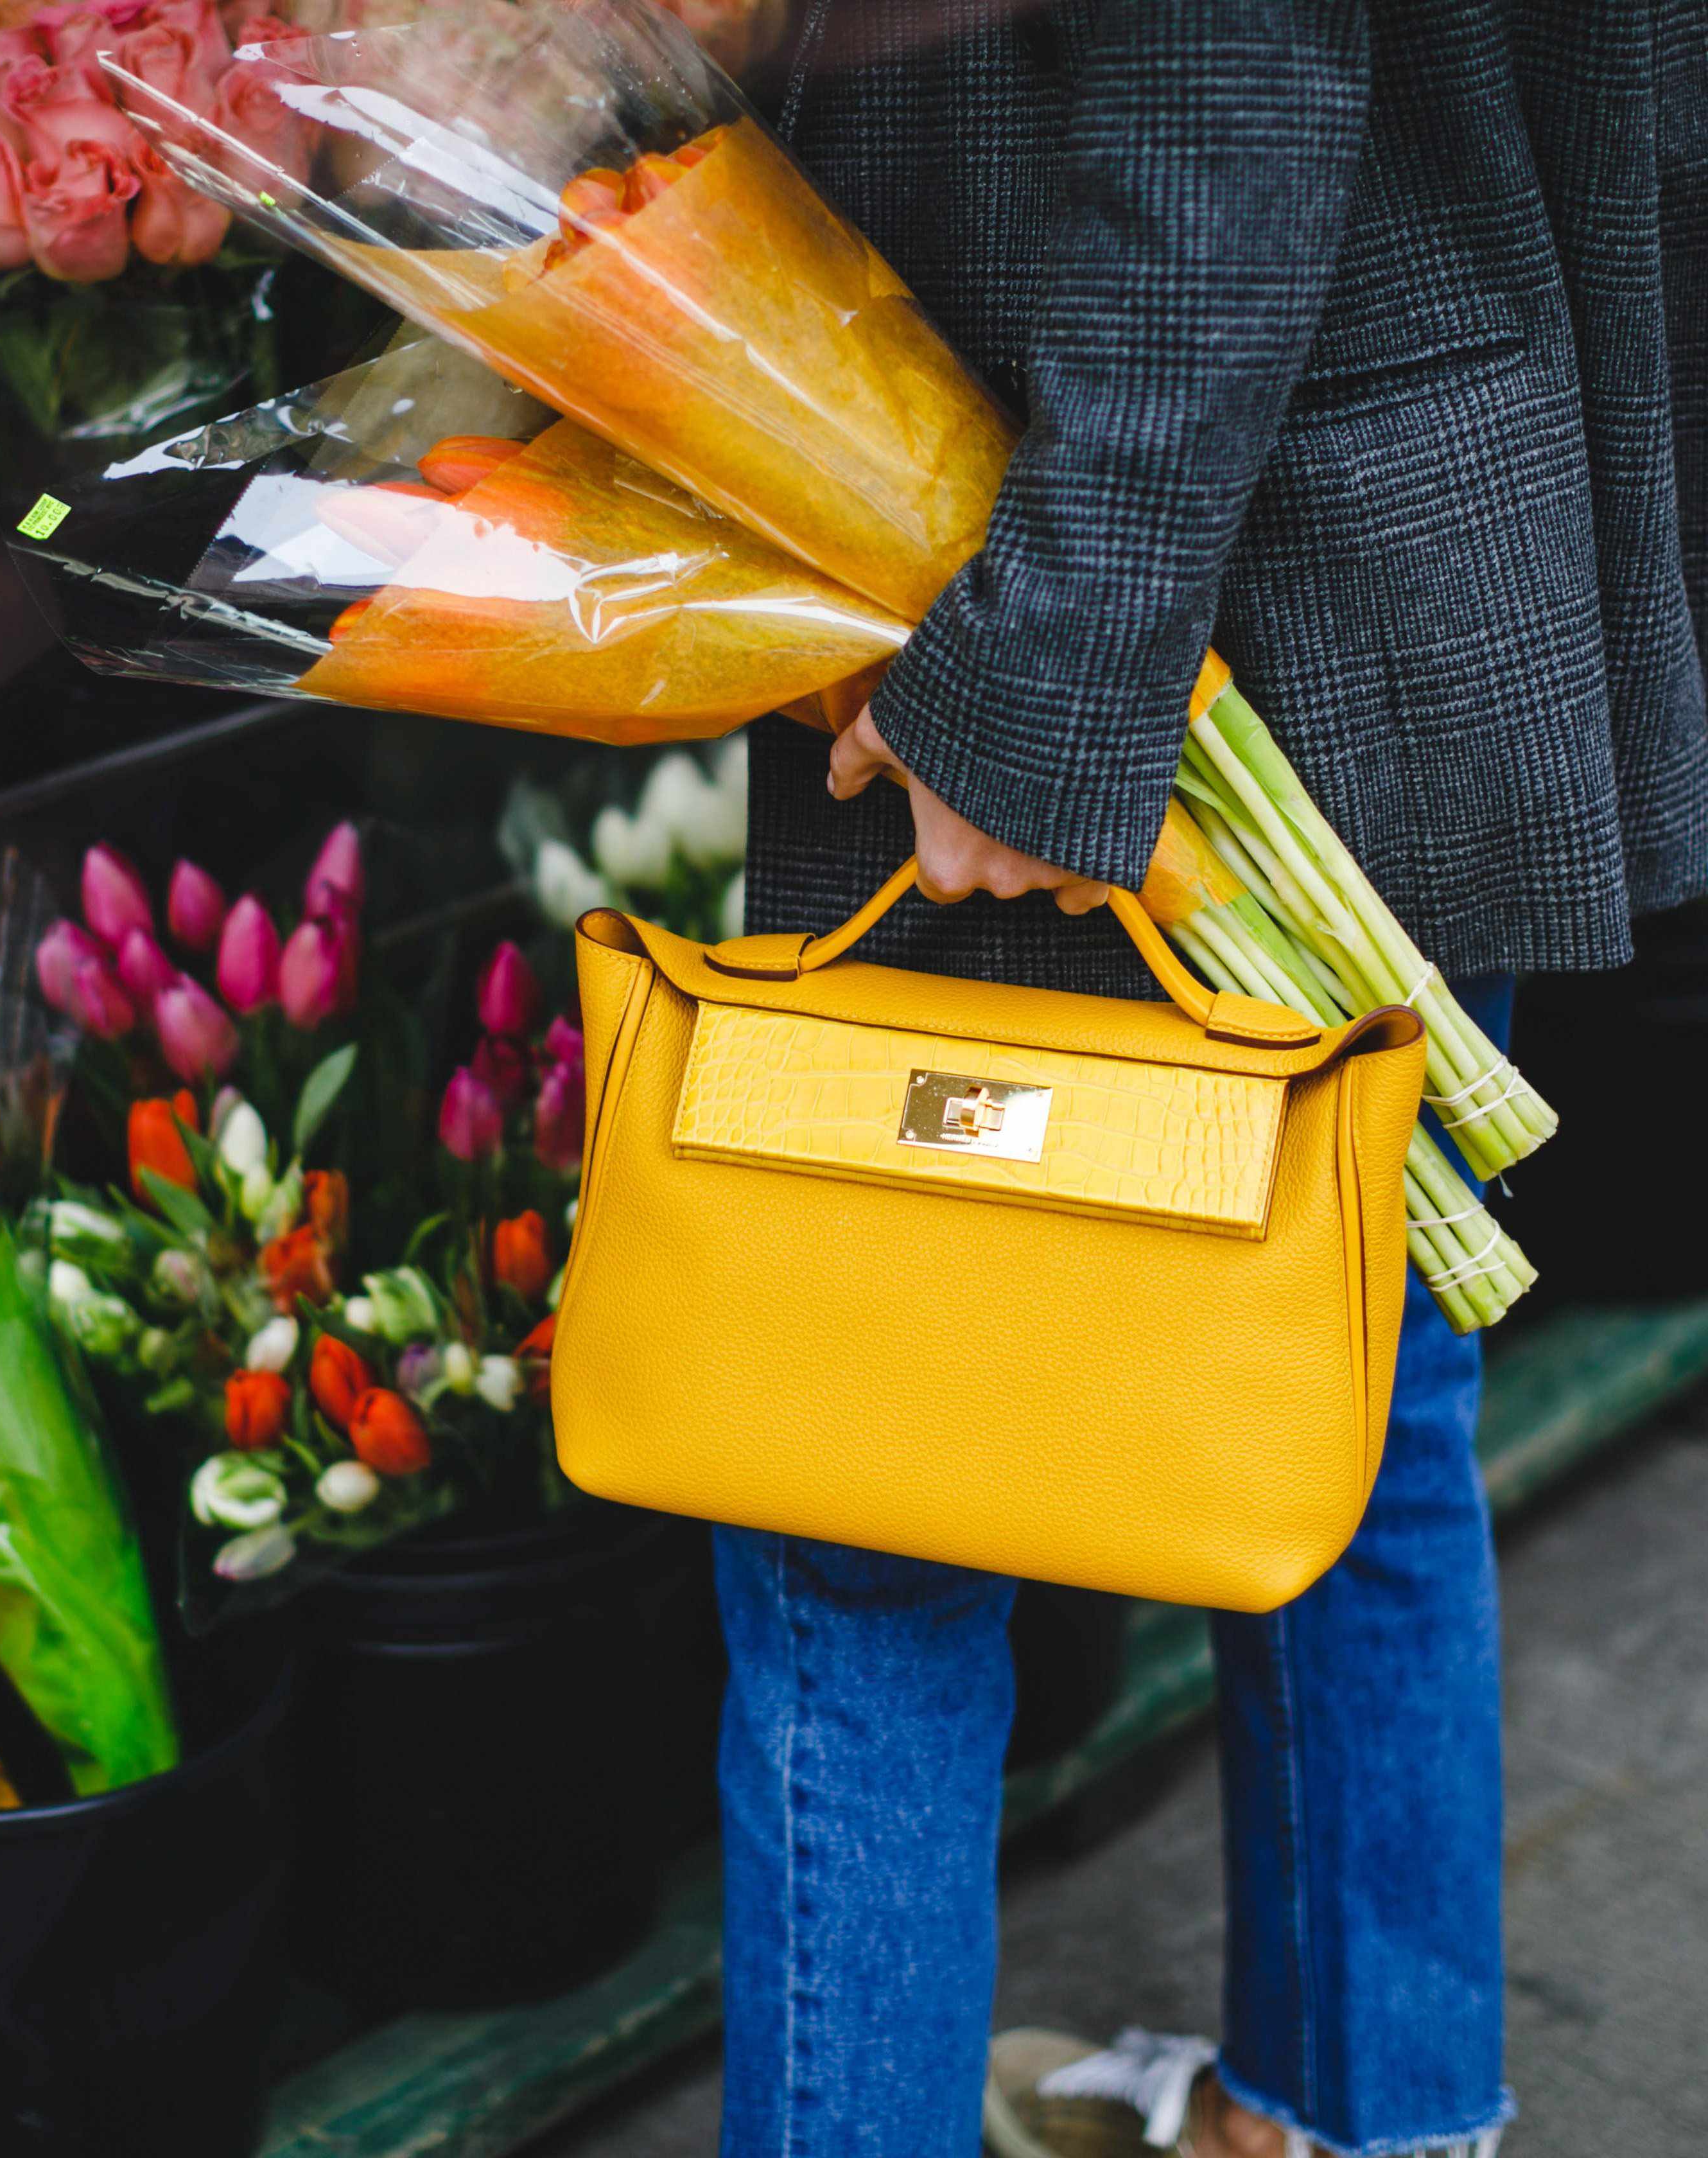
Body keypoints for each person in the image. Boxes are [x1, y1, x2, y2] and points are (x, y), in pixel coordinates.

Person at [719, 3, 1708, 2155]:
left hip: (1108, 571)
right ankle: (1363, 2117)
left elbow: (1226, 82)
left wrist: (1035, 690)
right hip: (1371, 516)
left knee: (854, 1520)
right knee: (1356, 1398)